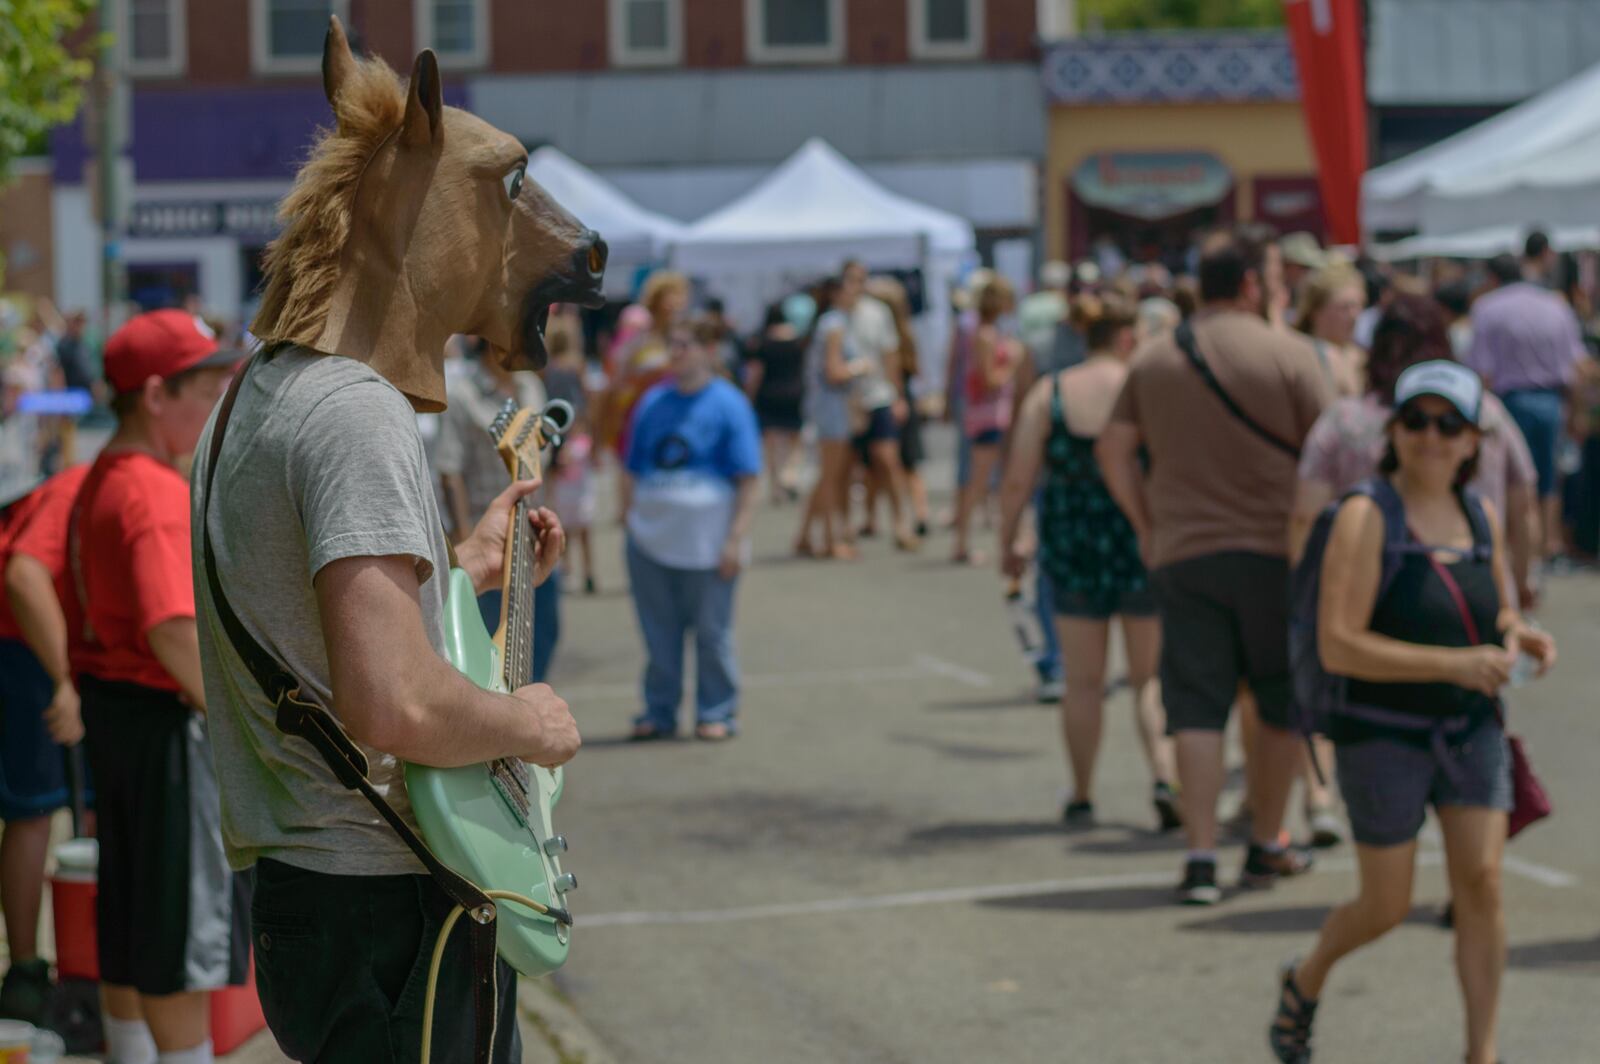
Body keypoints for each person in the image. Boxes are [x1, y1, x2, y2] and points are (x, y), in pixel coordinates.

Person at [1269, 361, 1557, 1064]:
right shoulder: (1367, 516)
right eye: (1416, 420)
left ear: (1471, 442)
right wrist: (1453, 664)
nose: (1432, 436)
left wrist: (1517, 634)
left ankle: (1480, 1053)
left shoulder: (1479, 517)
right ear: (1393, 432)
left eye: (1448, 424)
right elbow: (1340, 644)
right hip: (1383, 735)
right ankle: (1305, 979)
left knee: (1482, 886)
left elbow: (1498, 607)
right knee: (1385, 906)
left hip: (1469, 730)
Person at [1098, 226, 1329, 905]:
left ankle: (1199, 858)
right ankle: (1265, 842)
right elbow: (1330, 454)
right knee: (1278, 704)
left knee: (1196, 710)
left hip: (1184, 552)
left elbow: (1114, 450)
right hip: (1275, 554)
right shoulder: (1291, 355)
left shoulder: (1155, 358)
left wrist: (1147, 523)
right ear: (1254, 285)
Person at [68, 310, 244, 1064]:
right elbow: (172, 627)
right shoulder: (152, 492)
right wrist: (244, 722)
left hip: (118, 718)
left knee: (135, 917)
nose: (212, 411)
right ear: (153, 396)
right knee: (177, 936)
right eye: (203, 393)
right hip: (165, 727)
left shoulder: (103, 476)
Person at [1000, 294, 1179, 832]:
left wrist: (1010, 539)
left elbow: (1017, 479)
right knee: (1149, 678)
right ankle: (1164, 776)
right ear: (1127, 337)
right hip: (1140, 542)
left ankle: (1081, 793)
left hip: (1072, 545)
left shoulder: (1050, 392)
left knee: (1083, 680)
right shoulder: (1147, 389)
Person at [623, 318, 762, 742]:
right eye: (673, 344)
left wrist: (735, 539)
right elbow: (630, 466)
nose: (676, 352)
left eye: (685, 344)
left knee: (712, 633)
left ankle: (716, 711)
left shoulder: (730, 404)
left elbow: (749, 478)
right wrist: (630, 520)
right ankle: (659, 711)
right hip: (652, 539)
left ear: (709, 350)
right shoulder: (651, 401)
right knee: (658, 634)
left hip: (707, 542)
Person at [0, 463, 89, 1026]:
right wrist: (60, 679)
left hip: (46, 647)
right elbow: (23, 577)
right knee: (34, 811)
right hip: (22, 646)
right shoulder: (85, 481)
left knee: (78, 807)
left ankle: (91, 963)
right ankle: (27, 973)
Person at [435, 337, 559, 676]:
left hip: (532, 538)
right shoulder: (462, 393)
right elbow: (450, 470)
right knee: (489, 650)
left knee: (544, 635)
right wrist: (466, 541)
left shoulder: (530, 386)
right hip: (484, 535)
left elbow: (544, 462)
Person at [1464, 245, 1587, 558]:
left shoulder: (1487, 307)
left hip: (1508, 403)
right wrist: (1577, 412)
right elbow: (1574, 366)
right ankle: (1546, 545)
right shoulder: (1554, 305)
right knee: (1549, 479)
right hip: (1550, 402)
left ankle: (1514, 543)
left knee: (1508, 476)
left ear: (1492, 277)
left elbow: (1480, 369)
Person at [840, 262, 917, 551]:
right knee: (846, 467)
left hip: (877, 396)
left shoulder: (876, 314)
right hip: (847, 401)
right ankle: (846, 525)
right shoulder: (836, 318)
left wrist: (898, 396)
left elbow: (890, 356)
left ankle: (901, 522)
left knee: (887, 459)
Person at [952, 277, 1022, 564]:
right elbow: (989, 379)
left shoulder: (989, 332)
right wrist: (1014, 364)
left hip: (993, 414)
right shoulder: (985, 335)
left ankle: (973, 541)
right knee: (978, 481)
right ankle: (962, 544)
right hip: (986, 416)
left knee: (987, 480)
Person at [793, 279, 859, 560]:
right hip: (831, 405)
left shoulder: (829, 322)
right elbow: (835, 371)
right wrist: (861, 366)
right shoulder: (834, 324)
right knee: (831, 474)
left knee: (826, 474)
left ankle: (805, 535)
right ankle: (831, 539)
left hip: (826, 405)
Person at [542, 323, 599, 595]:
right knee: (584, 515)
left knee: (559, 509)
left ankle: (564, 567)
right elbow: (584, 403)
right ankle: (589, 569)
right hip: (577, 439)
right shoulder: (577, 366)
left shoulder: (548, 369)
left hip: (556, 439)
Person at [744, 303, 807, 507]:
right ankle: (790, 472)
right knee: (795, 438)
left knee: (770, 443)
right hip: (794, 391)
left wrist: (749, 397)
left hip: (769, 393)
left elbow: (756, 372)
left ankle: (776, 486)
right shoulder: (797, 338)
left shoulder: (762, 341)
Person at [1295, 264, 1367, 398]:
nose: (1354, 316)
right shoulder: (1299, 356)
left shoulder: (1361, 358)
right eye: (1344, 307)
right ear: (1315, 311)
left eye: (1358, 306)